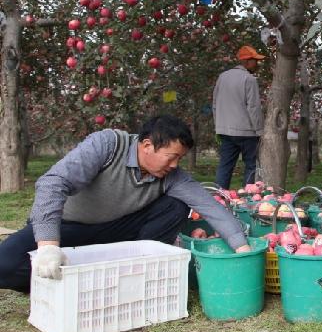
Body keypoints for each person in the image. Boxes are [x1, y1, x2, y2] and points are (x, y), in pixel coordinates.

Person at [0, 115, 252, 293]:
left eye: (180, 158)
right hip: (67, 228)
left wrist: (242, 250)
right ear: (146, 146)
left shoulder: (171, 177)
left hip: (115, 232)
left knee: (175, 206)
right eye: (172, 157)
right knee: (6, 264)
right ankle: (55, 280)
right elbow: (52, 183)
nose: (175, 165)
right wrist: (47, 246)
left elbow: (209, 206)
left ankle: (131, 272)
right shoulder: (108, 145)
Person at [213, 45, 265, 189]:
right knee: (251, 166)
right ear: (247, 61)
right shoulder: (249, 79)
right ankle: (247, 197)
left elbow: (215, 104)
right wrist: (260, 131)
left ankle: (218, 198)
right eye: (255, 60)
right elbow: (253, 108)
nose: (257, 63)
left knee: (225, 166)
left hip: (225, 131)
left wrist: (218, 126)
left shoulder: (222, 77)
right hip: (246, 132)